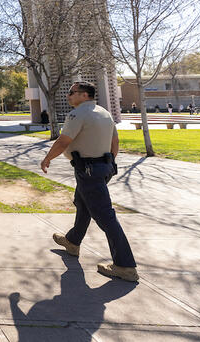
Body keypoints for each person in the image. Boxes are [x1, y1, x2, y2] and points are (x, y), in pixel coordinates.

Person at [40, 81, 138, 283]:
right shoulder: (104, 113)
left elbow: (64, 140)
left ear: (84, 95)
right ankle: (72, 242)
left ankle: (125, 266)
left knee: (106, 217)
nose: (68, 96)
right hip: (102, 168)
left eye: (71, 92)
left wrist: (48, 158)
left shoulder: (78, 114)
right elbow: (115, 143)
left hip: (88, 170)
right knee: (83, 205)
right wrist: (108, 163)